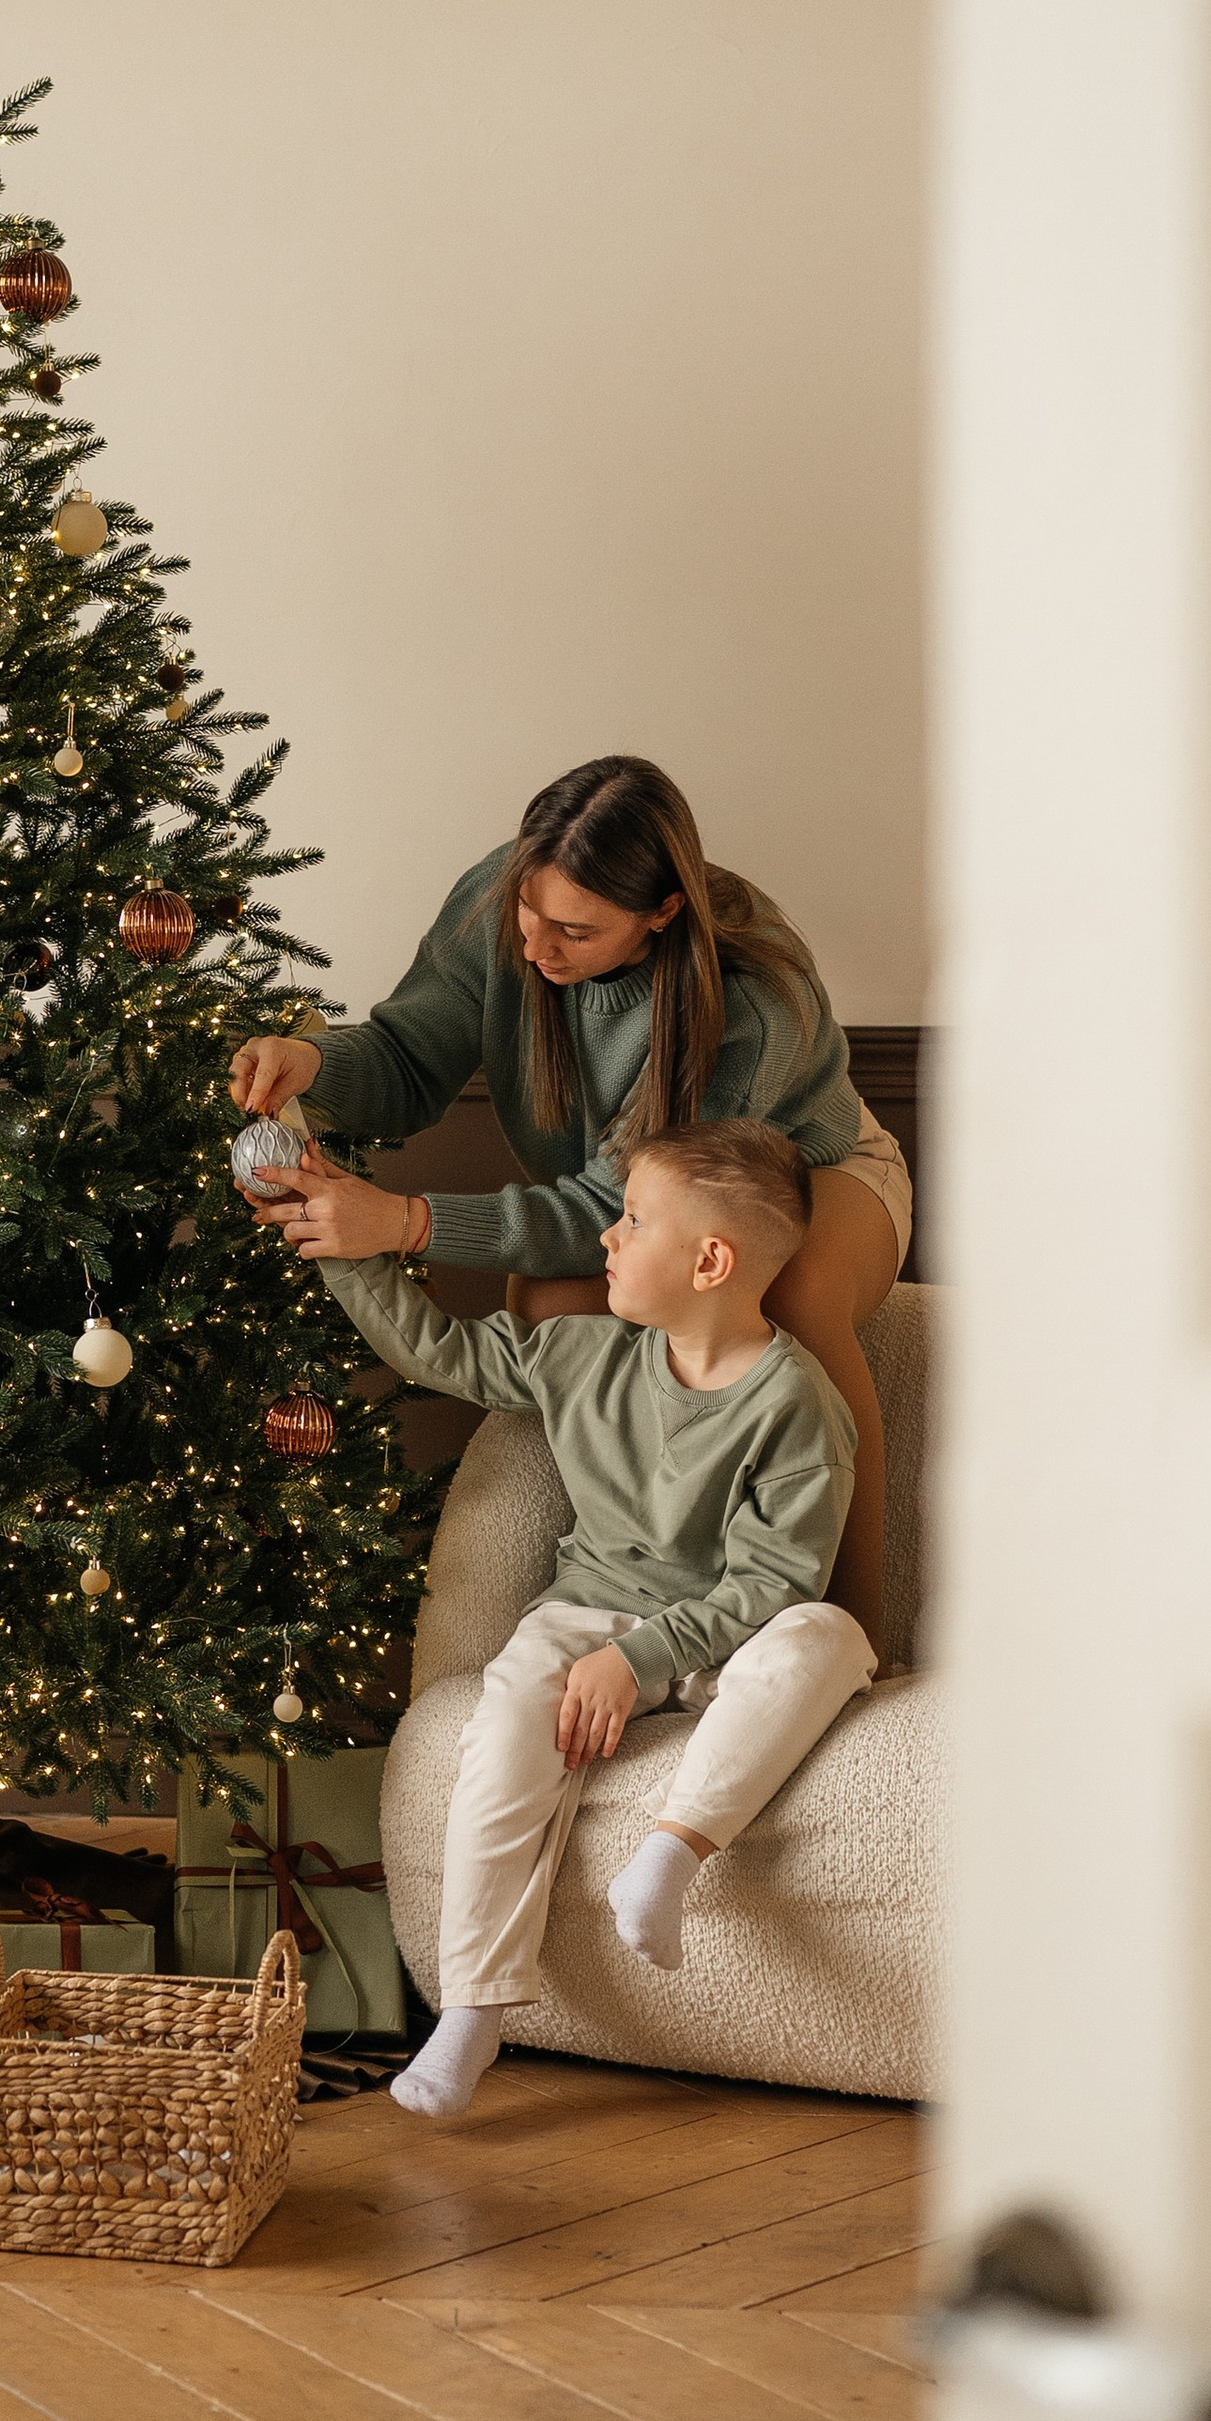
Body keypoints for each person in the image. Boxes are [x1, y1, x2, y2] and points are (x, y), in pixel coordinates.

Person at [229, 753, 909, 1630]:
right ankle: (636, 1587)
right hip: (629, 1195)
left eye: (576, 933)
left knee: (803, 1295)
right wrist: (313, 1061)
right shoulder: (506, 903)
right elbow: (406, 1058)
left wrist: (404, 1221)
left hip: (817, 1171)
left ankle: (854, 1635)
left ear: (663, 913)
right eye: (530, 912)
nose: (535, 947)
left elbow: (604, 1207)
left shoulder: (751, 1001)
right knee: (550, 1300)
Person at [279, 1120, 867, 2120]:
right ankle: (473, 2009)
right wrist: (348, 1249)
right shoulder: (583, 1354)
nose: (604, 1236)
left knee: (827, 1638)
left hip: (722, 1636)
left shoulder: (797, 1405)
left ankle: (669, 1856)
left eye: (630, 1220)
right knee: (508, 1714)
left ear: (708, 1259)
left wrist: (641, 1661)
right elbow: (436, 1351)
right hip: (586, 1614)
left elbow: (775, 1580)